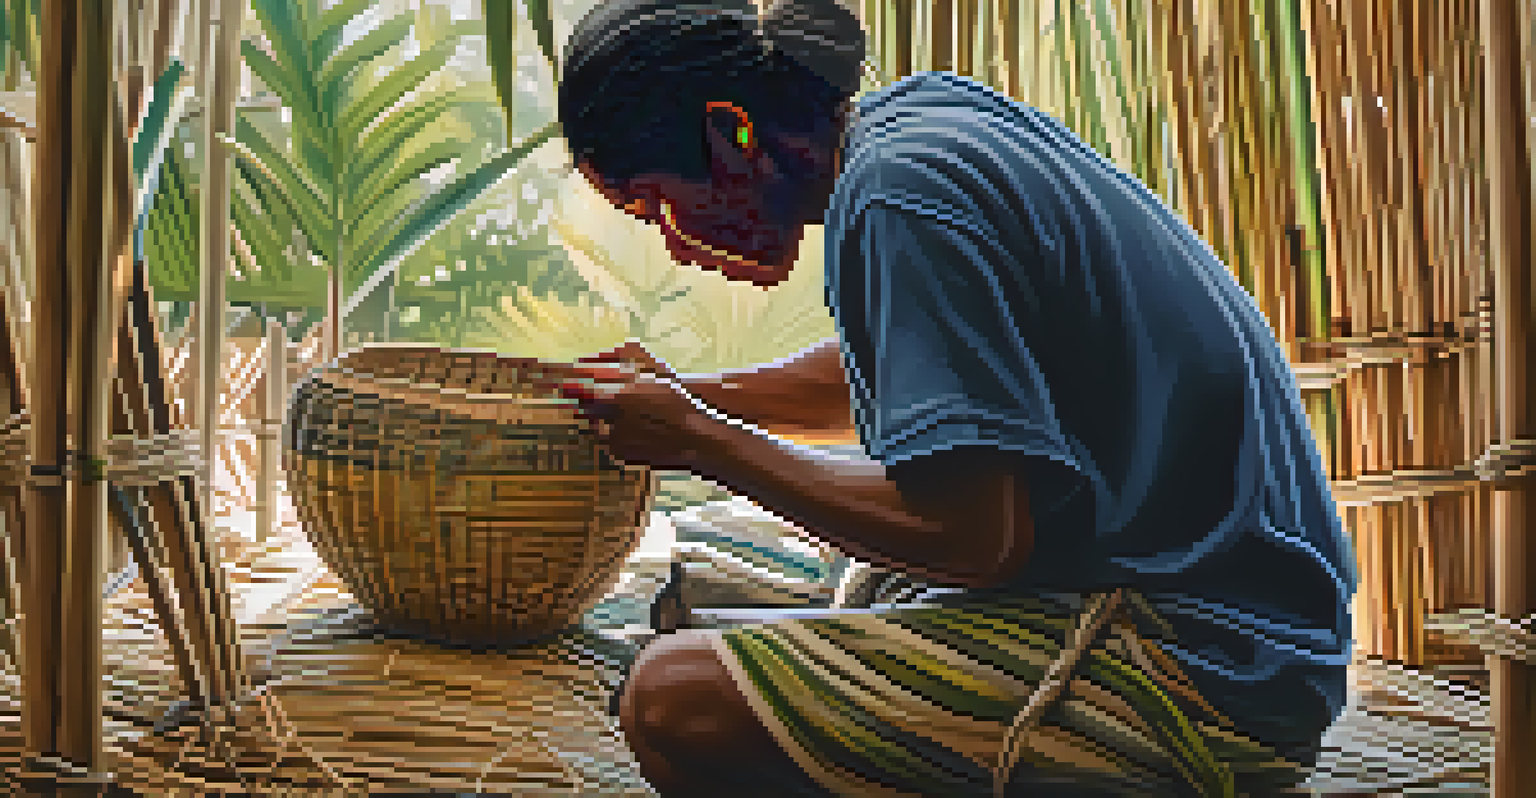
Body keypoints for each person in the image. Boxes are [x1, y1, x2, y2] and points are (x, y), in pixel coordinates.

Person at [549, 1, 1358, 795]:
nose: (674, 244)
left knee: (672, 700)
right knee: (720, 574)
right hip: (1261, 634)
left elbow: (975, 536)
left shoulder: (900, 199)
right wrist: (695, 396)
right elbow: (931, 358)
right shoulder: (916, 123)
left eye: (656, 206)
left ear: (733, 135)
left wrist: (703, 441)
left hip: (1203, 672)